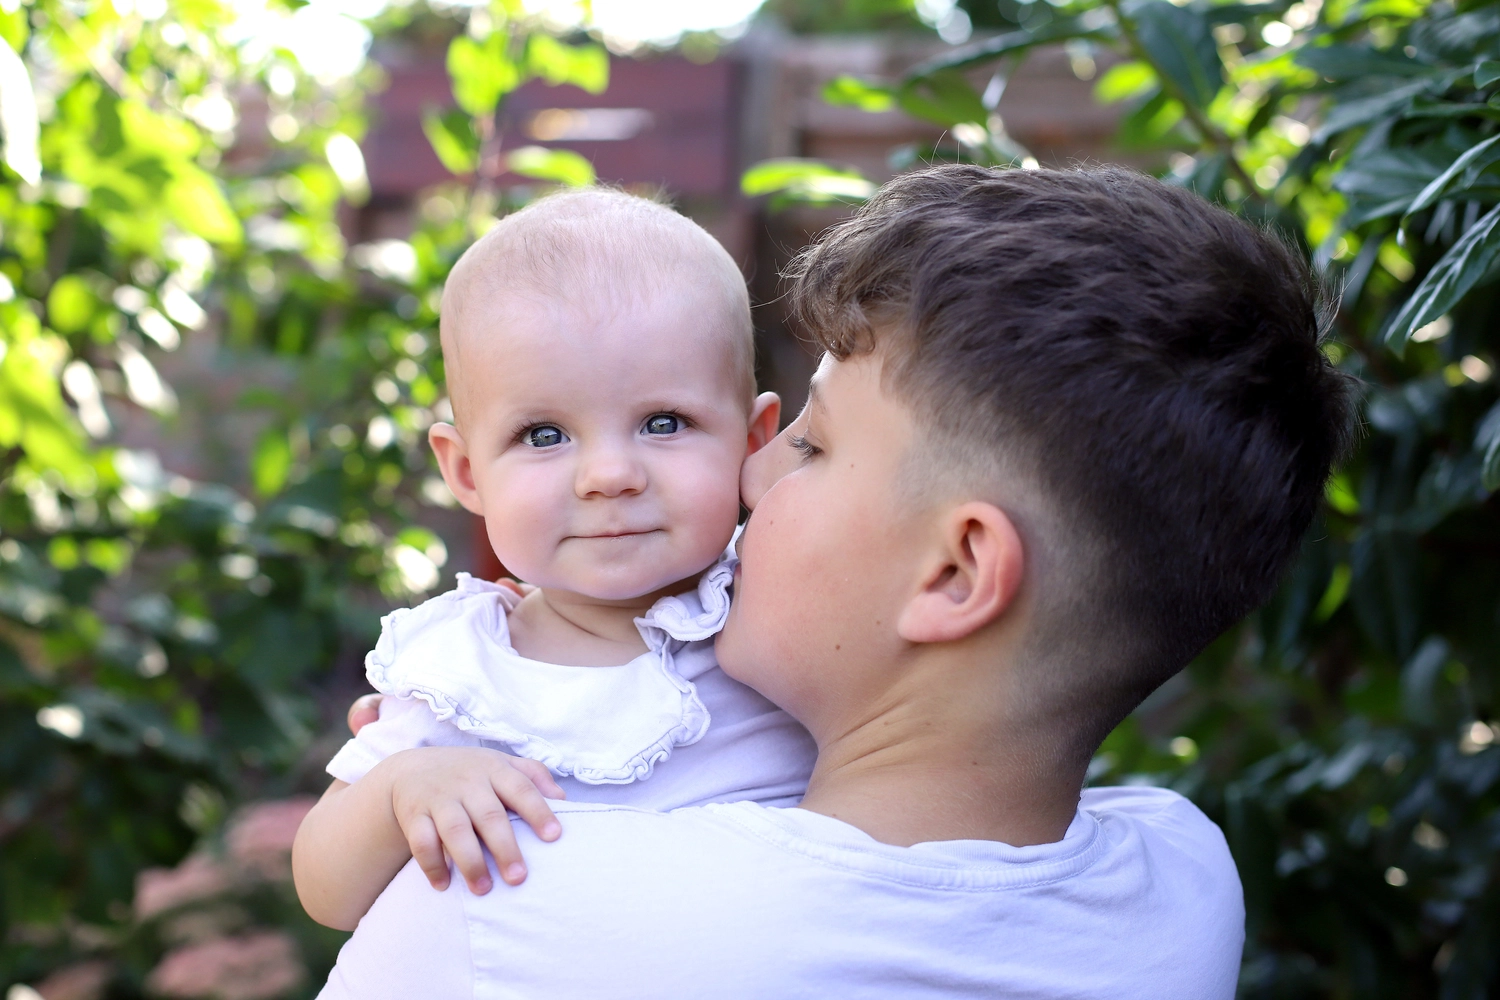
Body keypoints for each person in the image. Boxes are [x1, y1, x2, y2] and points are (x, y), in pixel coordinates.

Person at [315, 164, 1354, 999]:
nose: (751, 476)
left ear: (953, 572)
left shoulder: (500, 912)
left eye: (808, 446)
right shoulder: (1184, 881)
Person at [292, 189, 815, 929]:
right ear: (468, 472)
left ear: (755, 439)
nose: (608, 474)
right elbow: (327, 893)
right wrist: (403, 787)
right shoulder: (462, 673)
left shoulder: (793, 607)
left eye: (663, 423)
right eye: (543, 436)